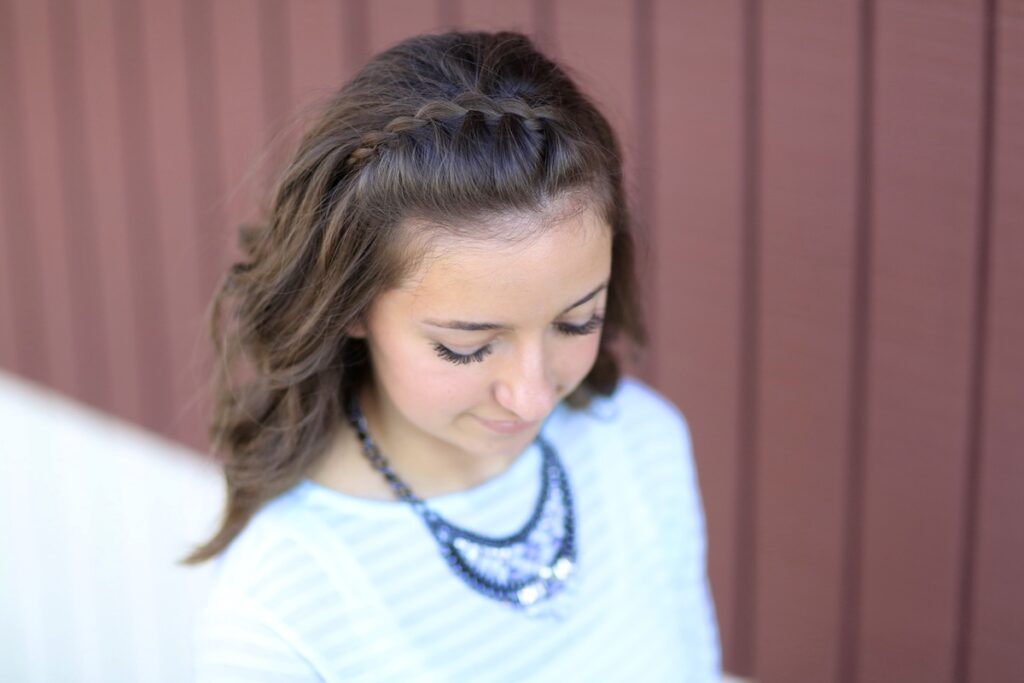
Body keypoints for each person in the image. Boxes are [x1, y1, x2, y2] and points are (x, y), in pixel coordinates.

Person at [184, 30, 720, 681]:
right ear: (350, 306)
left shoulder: (640, 444)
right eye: (467, 347)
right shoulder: (280, 612)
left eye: (577, 321)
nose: (532, 395)